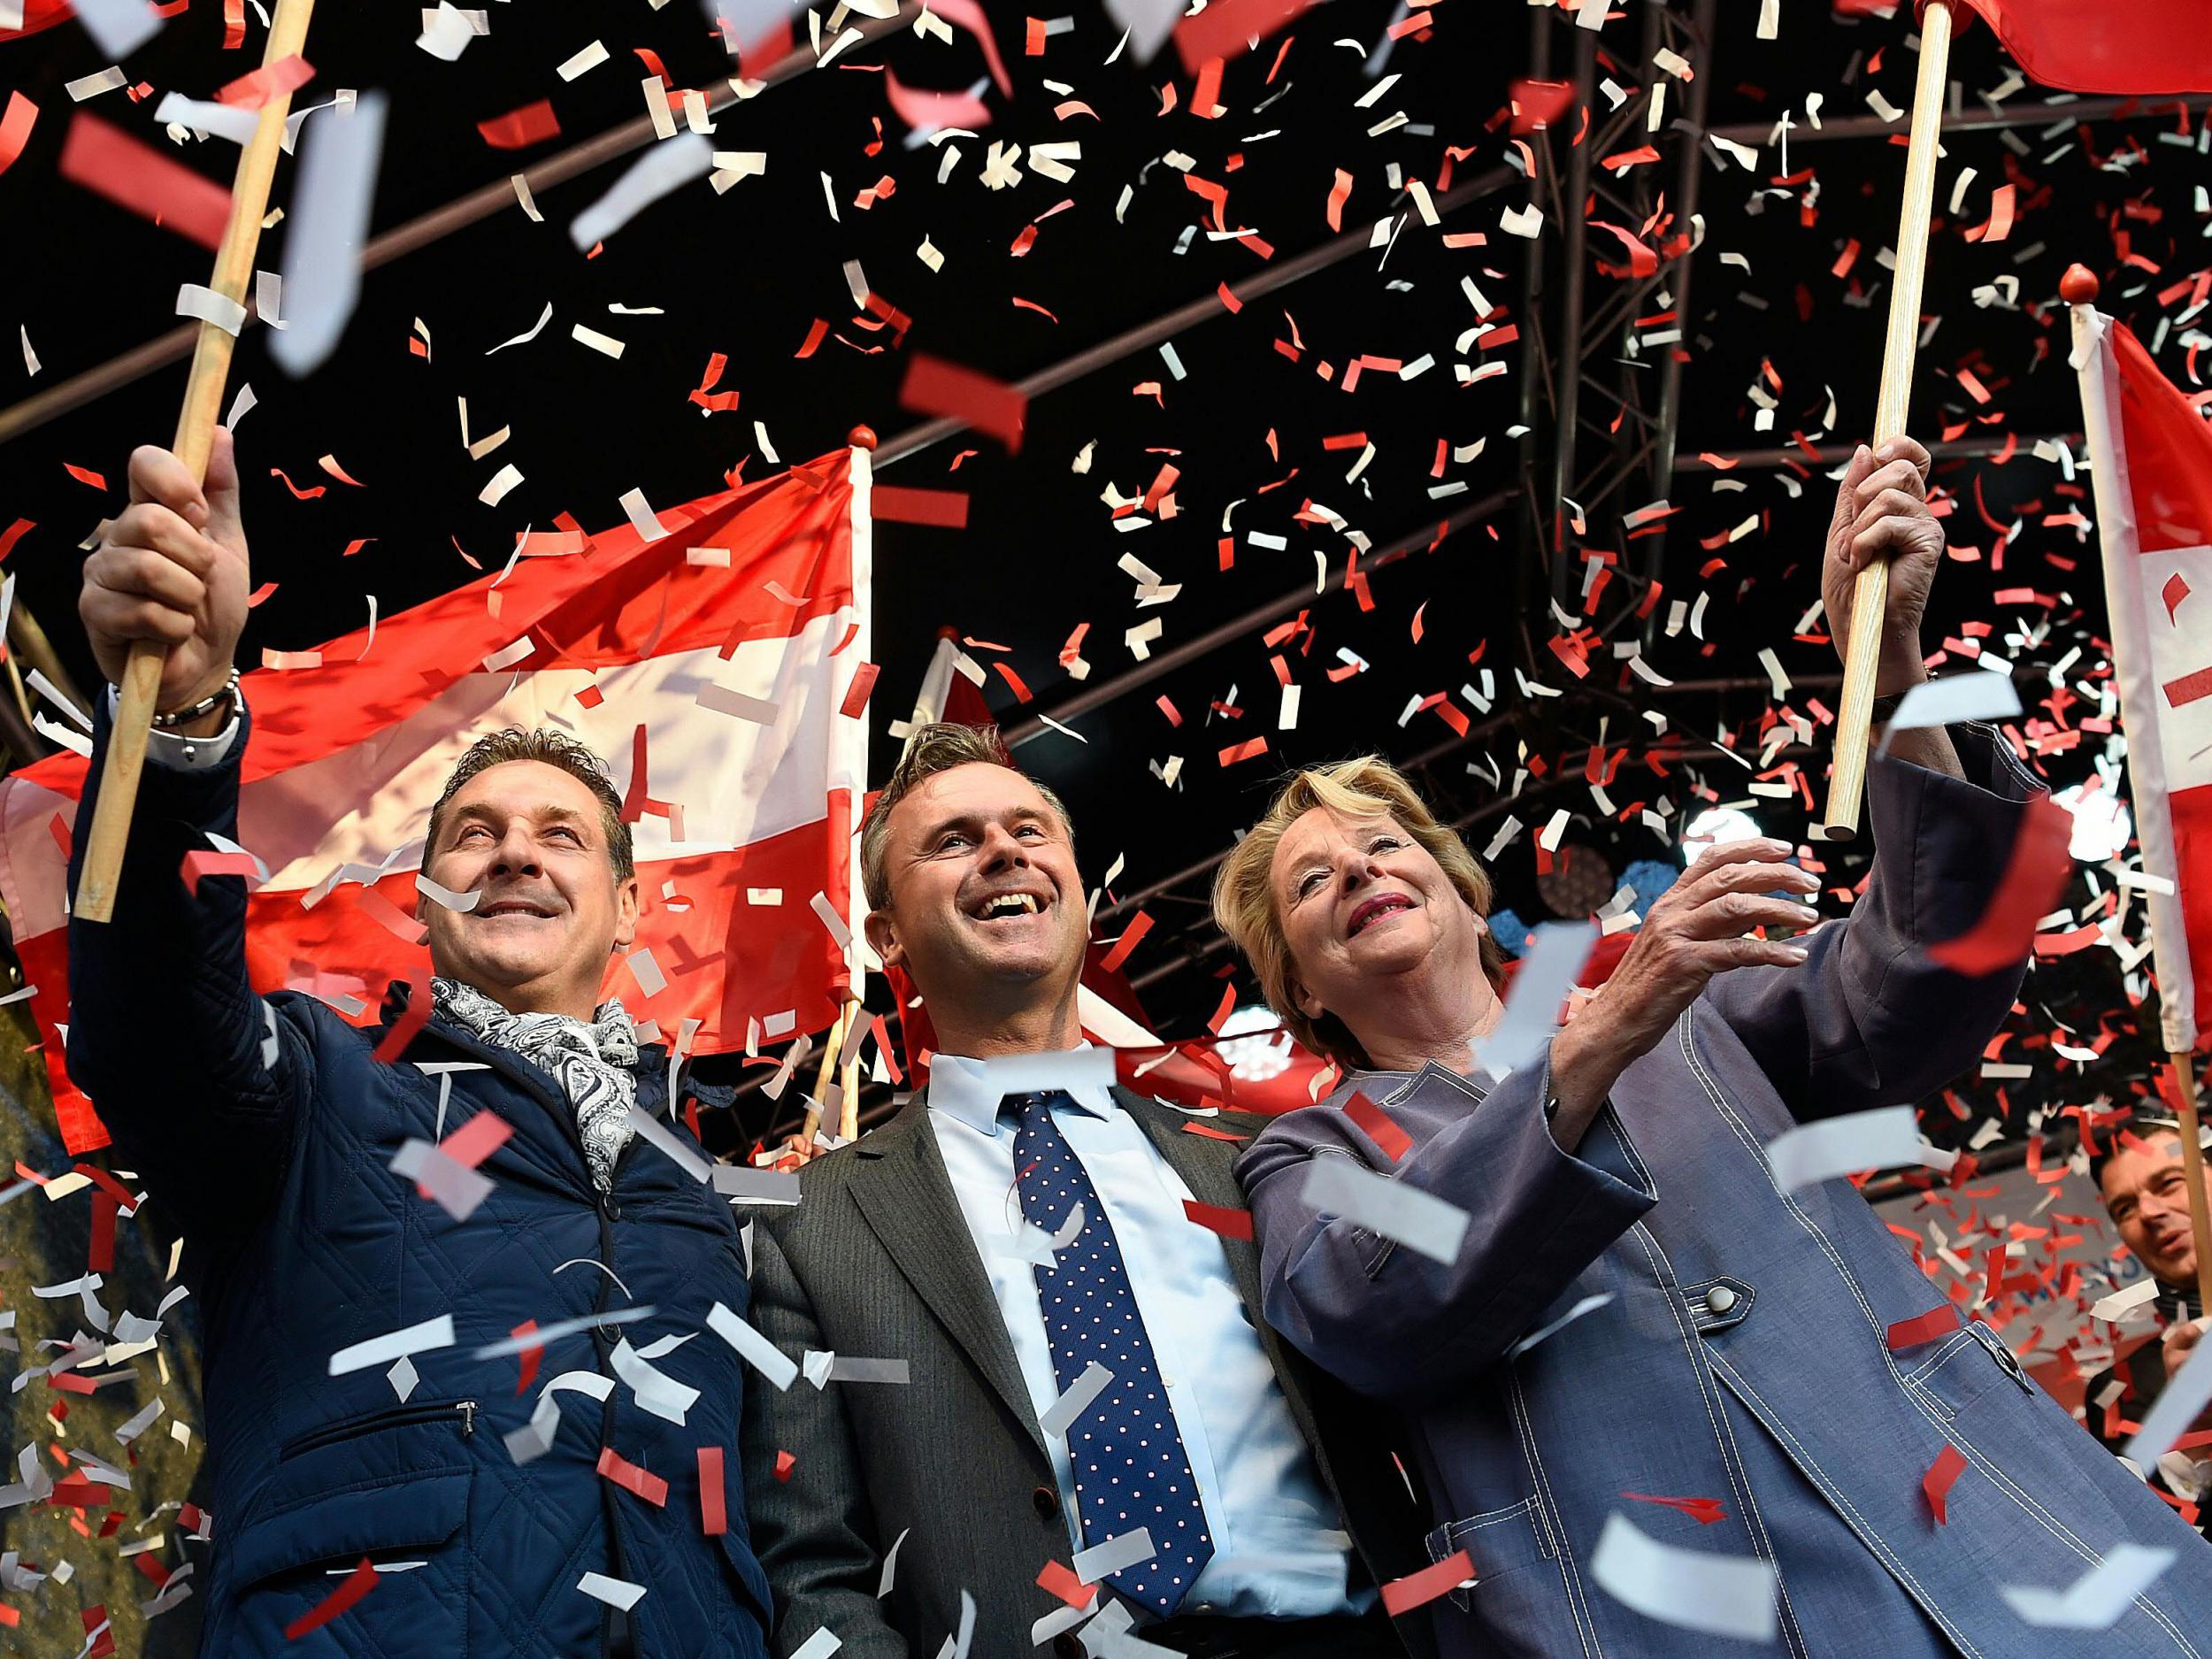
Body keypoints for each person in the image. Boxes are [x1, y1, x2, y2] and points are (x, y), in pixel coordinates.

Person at [1217, 437, 2212, 1656]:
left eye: (1386, 844)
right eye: (1313, 881)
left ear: (1466, 892)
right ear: (1297, 979)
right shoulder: (1307, 1153)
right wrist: (1601, 1036)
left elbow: (1940, 961)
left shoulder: (1707, 1015)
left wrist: (1890, 663)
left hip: (1990, 1547)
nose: (1360, 867)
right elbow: (1381, 1304)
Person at [70, 434, 773, 1658]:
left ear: (623, 906)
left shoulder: (713, 1198)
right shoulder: (317, 1084)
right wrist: (181, 717)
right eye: (474, 834)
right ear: (427, 897)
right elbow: (155, 1030)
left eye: (561, 835)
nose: (514, 851)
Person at [742, 722, 1432, 1659]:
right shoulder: (809, 1227)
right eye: (953, 841)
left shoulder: (1260, 1158)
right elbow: (813, 1566)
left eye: (1029, 831)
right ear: (885, 933)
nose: (1001, 852)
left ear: (1076, 885)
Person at [2087, 1111, 2212, 1533]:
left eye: (2169, 1183)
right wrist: (2200, 1441)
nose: (2150, 1212)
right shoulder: (2119, 1393)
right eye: (2125, 1207)